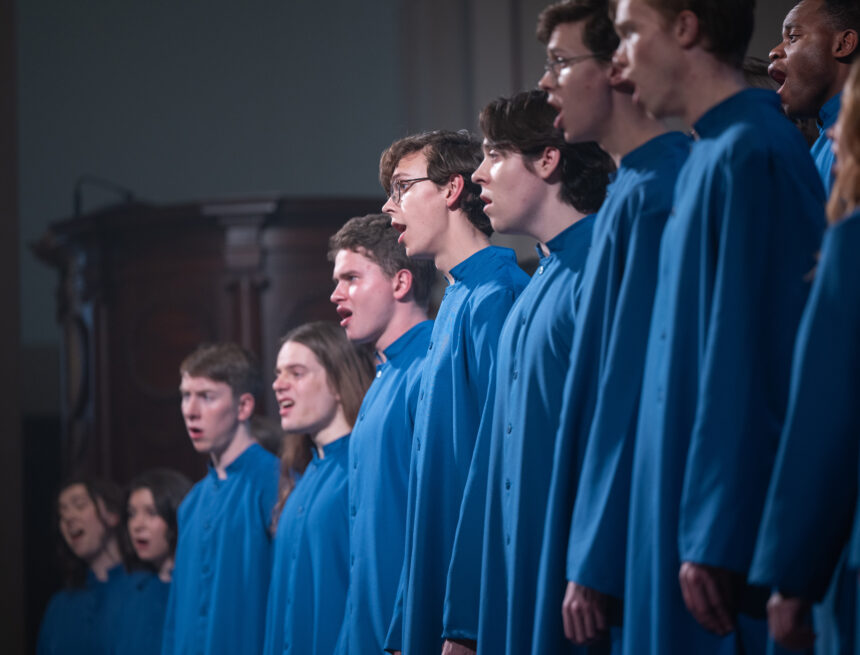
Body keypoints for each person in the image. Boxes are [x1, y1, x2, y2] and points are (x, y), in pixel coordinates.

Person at [611, 0, 826, 653]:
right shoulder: (713, 153)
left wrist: (714, 528)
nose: (620, 60)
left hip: (730, 535)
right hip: (686, 510)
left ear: (685, 27)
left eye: (630, 33)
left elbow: (753, 355)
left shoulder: (752, 151)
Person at [532, 1, 690, 652]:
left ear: (616, 68)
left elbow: (637, 383)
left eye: (560, 63)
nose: (546, 83)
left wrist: (596, 549)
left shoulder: (662, 188)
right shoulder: (629, 189)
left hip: (645, 523)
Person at [440, 88, 614, 655]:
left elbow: (614, 436)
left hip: (576, 582)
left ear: (547, 159)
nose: (478, 175)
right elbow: (493, 459)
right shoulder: (540, 279)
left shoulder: (602, 271)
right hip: (521, 576)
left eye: (495, 154)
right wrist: (466, 618)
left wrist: (591, 562)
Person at [379, 129, 529, 655]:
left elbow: (497, 470)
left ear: (451, 188)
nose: (388, 206)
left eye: (402, 188)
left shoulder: (497, 297)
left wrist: (464, 618)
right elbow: (429, 485)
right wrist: (406, 618)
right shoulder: (456, 299)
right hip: (439, 591)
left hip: (475, 605)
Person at [750, 59, 860, 653]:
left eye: (851, 118)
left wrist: (789, 572)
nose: (833, 131)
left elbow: (826, 418)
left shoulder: (850, 243)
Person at [327, 214, 436, 655]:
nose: (336, 294)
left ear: (400, 282)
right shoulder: (382, 377)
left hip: (410, 636)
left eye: (351, 278)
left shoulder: (430, 368)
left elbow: (437, 517)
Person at [263, 321, 374, 655]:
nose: (278, 385)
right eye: (278, 374)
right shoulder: (303, 478)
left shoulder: (363, 469)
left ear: (339, 382)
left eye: (296, 373)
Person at [162, 343, 279, 655]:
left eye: (206, 396)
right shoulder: (191, 504)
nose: (190, 410)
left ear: (243, 406)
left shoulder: (275, 484)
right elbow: (176, 616)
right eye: (185, 395)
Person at [768, 0, 859, 190]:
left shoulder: (852, 138)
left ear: (843, 44)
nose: (774, 52)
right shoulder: (827, 140)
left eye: (792, 37)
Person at [37, 479, 128, 655]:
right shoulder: (59, 607)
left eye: (79, 505)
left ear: (112, 515)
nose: (68, 517)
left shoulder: (146, 591)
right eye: (62, 513)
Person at [109, 469, 191, 655]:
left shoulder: (194, 591)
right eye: (131, 514)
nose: (137, 525)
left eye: (151, 513)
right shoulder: (131, 592)